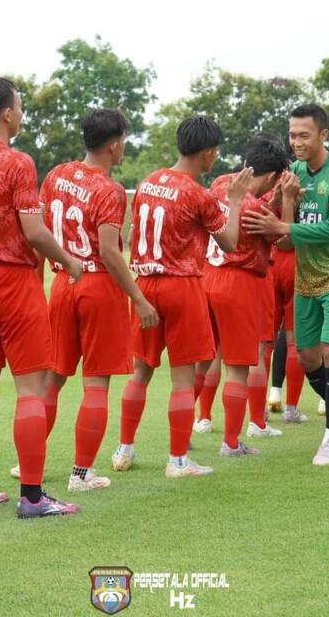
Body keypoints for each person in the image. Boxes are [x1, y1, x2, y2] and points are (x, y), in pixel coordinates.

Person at [0, 77, 83, 518]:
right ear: (6, 113)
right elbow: (34, 231)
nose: (21, 114)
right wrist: (69, 261)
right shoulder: (17, 162)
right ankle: (31, 496)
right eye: (19, 107)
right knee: (32, 389)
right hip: (12, 279)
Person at [111, 116, 249, 477]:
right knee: (182, 378)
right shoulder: (198, 194)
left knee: (140, 372)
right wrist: (234, 201)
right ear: (206, 152)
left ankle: (124, 449)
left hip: (144, 283)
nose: (214, 159)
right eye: (214, 152)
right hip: (182, 284)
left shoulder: (147, 182)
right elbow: (230, 243)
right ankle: (177, 460)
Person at [37, 108, 159, 492]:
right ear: (114, 143)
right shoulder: (108, 190)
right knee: (96, 384)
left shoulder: (57, 174)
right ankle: (82, 473)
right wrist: (138, 298)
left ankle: (30, 461)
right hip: (97, 286)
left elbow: (39, 228)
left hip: (62, 281)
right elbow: (109, 251)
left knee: (51, 379)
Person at [243, 104, 329, 466]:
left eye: (304, 135)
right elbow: (288, 244)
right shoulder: (292, 173)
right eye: (292, 135)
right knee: (307, 357)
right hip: (306, 277)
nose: (296, 142)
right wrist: (289, 203)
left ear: (323, 135)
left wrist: (281, 227)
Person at [200, 133, 290, 457]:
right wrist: (284, 203)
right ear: (272, 176)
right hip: (239, 282)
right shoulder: (254, 209)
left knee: (206, 359)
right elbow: (280, 241)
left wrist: (272, 200)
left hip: (208, 275)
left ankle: (196, 424)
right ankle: (231, 442)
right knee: (238, 366)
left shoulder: (221, 182)